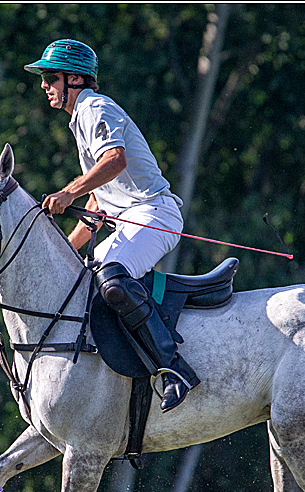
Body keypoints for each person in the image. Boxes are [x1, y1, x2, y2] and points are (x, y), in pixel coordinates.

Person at [24, 38, 198, 411]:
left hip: (155, 214)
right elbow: (98, 203)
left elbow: (115, 161)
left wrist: (67, 192)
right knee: (80, 278)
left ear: (74, 79)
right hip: (130, 221)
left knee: (113, 278)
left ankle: (172, 369)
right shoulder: (80, 118)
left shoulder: (94, 106)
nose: (43, 85)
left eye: (50, 76)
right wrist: (66, 251)